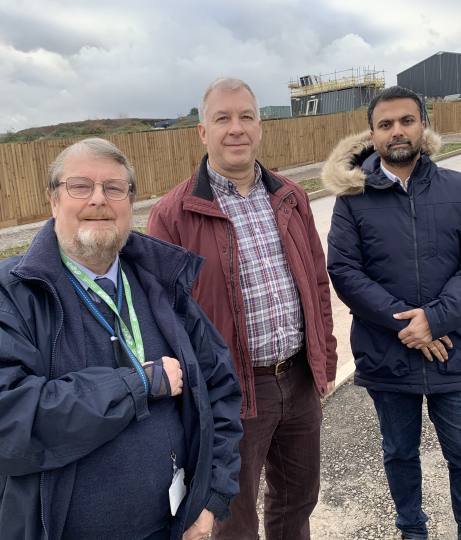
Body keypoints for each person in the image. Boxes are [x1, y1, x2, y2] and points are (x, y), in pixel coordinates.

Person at [0, 138, 243, 540]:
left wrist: (210, 501)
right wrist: (135, 385)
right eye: (80, 186)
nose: (99, 200)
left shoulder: (160, 282)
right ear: (53, 201)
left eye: (114, 188)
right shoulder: (8, 295)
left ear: (130, 203)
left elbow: (221, 390)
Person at [148, 76, 337, 540]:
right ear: (202, 132)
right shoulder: (173, 214)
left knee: (297, 501)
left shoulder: (290, 196)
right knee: (233, 518)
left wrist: (324, 360)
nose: (237, 128)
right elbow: (162, 319)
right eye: (223, 118)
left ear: (260, 126)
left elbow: (316, 283)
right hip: (231, 392)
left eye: (246, 117)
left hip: (297, 379)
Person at [322, 86, 461, 540]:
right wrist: (411, 324)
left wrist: (435, 319)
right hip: (388, 355)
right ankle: (412, 531)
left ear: (423, 125)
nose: (396, 131)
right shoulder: (352, 199)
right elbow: (344, 271)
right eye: (385, 125)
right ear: (373, 134)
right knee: (399, 453)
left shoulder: (459, 188)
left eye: (406, 121)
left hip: (453, 352)